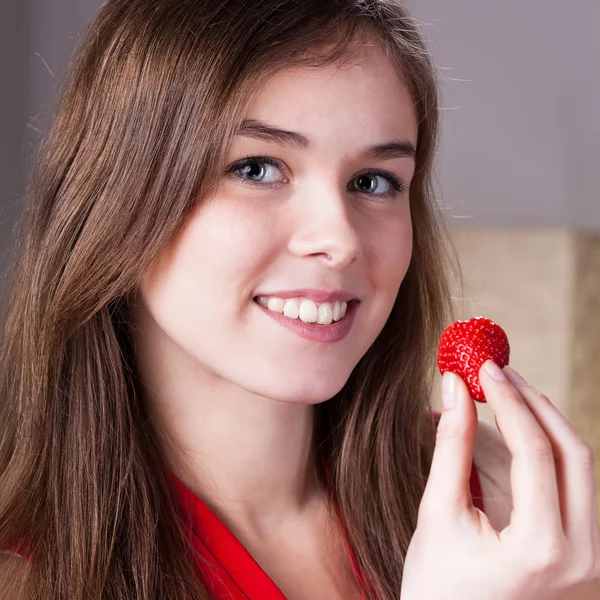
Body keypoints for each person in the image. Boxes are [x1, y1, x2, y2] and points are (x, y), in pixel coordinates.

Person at [0, 0, 598, 598]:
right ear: (114, 197)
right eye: (258, 168)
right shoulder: (22, 572)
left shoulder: (507, 515)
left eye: (373, 181)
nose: (339, 240)